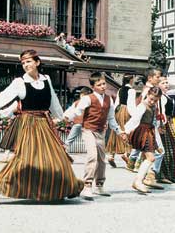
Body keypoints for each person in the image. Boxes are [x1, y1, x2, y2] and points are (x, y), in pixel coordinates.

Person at [0, 49, 83, 204]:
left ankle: (62, 188)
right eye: (23, 62)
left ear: (37, 62)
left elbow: (53, 100)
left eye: (29, 61)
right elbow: (2, 97)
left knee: (57, 159)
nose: (25, 65)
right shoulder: (20, 82)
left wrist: (61, 116)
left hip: (45, 124)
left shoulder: (46, 79)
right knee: (24, 160)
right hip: (28, 124)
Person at [65, 71, 126, 200]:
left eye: (104, 83)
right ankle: (87, 185)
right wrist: (66, 117)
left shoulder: (109, 99)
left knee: (102, 160)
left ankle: (99, 185)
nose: (103, 86)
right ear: (93, 87)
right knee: (92, 156)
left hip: (100, 131)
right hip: (88, 130)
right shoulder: (88, 98)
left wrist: (119, 131)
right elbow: (77, 110)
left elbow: (111, 118)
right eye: (99, 84)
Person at [123, 86, 164, 194]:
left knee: (150, 158)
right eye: (151, 99)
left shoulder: (154, 107)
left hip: (149, 132)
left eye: (155, 100)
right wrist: (126, 131)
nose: (152, 101)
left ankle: (140, 180)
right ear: (147, 95)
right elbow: (134, 119)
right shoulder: (142, 106)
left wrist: (156, 144)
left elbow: (153, 123)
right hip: (142, 132)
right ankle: (138, 181)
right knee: (150, 158)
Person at [158, 76, 175, 183]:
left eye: (167, 82)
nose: (166, 85)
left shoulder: (167, 97)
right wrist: (161, 125)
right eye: (163, 83)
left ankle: (170, 174)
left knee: (172, 148)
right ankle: (163, 174)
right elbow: (161, 112)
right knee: (166, 149)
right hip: (163, 124)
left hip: (168, 123)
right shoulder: (160, 97)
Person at [105, 74, 134, 167]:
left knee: (115, 132)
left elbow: (116, 103)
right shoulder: (132, 90)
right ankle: (126, 154)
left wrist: (114, 114)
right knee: (127, 132)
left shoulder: (120, 90)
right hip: (126, 111)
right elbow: (131, 104)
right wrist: (133, 115)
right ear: (131, 80)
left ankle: (111, 155)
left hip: (118, 111)